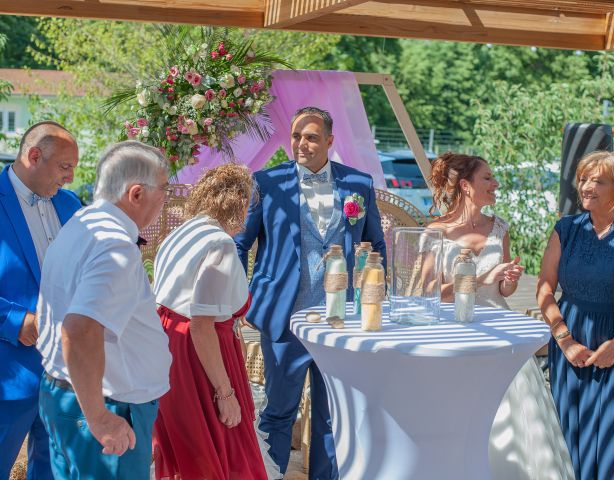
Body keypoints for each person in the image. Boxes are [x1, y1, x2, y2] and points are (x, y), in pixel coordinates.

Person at [235, 107, 386, 478]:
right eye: (297, 136)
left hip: (341, 321)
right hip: (285, 318)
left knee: (332, 414)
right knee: (279, 411)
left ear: (330, 142)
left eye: (312, 137)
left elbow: (376, 245)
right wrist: (236, 300)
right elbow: (241, 243)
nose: (302, 144)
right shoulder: (267, 183)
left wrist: (378, 303)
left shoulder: (358, 184)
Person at [428, 152, 574, 479]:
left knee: (513, 416)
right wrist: (480, 278)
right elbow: (428, 292)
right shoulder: (435, 231)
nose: (496, 184)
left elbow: (502, 291)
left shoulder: (500, 227)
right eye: (488, 178)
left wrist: (507, 281)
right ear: (466, 186)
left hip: (500, 330)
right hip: (454, 334)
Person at [36, 141, 172, 479]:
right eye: (164, 189)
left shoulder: (82, 222)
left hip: (73, 395)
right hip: (105, 404)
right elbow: (79, 329)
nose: (166, 199)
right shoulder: (114, 246)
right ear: (136, 194)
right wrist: (99, 418)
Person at [152, 163, 280, 480]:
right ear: (237, 203)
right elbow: (201, 323)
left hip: (167, 346)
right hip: (200, 353)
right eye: (248, 204)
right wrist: (226, 393)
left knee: (187, 446)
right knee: (221, 445)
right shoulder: (219, 244)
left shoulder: (179, 233)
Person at [537, 151, 614, 480]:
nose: (585, 186)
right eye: (583, 178)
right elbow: (544, 288)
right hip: (571, 347)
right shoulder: (565, 229)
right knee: (571, 442)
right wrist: (565, 341)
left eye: (597, 180)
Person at [0, 121, 80, 479]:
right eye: (65, 167)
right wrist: (15, 322)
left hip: (66, 372)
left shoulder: (71, 205)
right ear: (34, 156)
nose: (70, 178)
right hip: (9, 372)